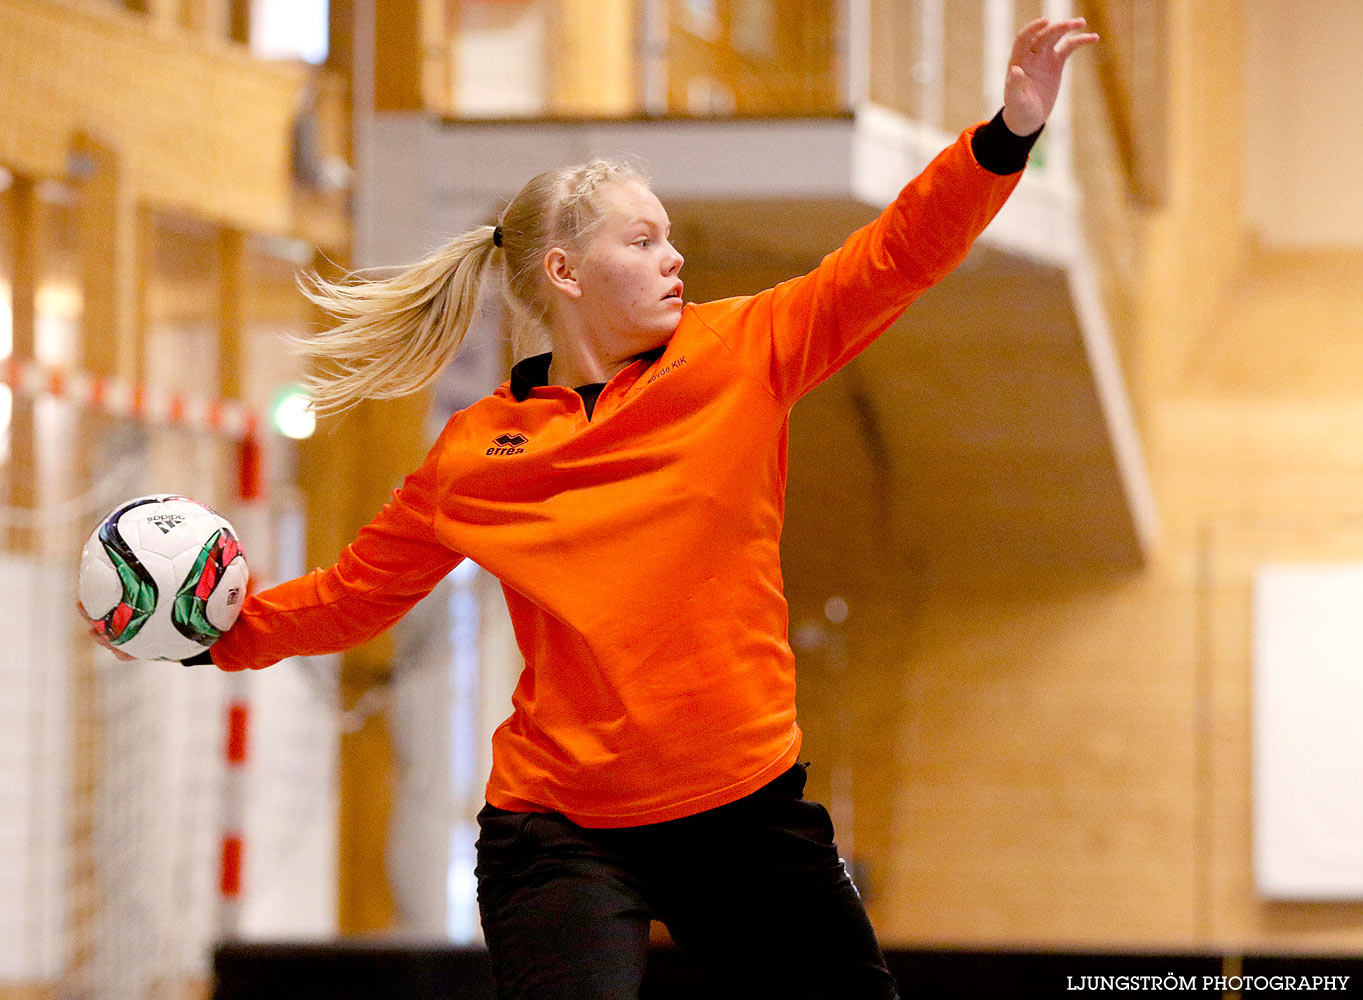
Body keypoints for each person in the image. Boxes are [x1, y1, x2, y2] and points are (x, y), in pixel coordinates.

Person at [83, 17, 1096, 999]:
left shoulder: (744, 352)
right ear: (564, 271)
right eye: (644, 239)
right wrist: (215, 637)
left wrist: (1001, 137)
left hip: (743, 814)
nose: (674, 258)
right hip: (558, 833)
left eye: (670, 239)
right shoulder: (477, 453)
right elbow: (354, 596)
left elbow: (892, 255)